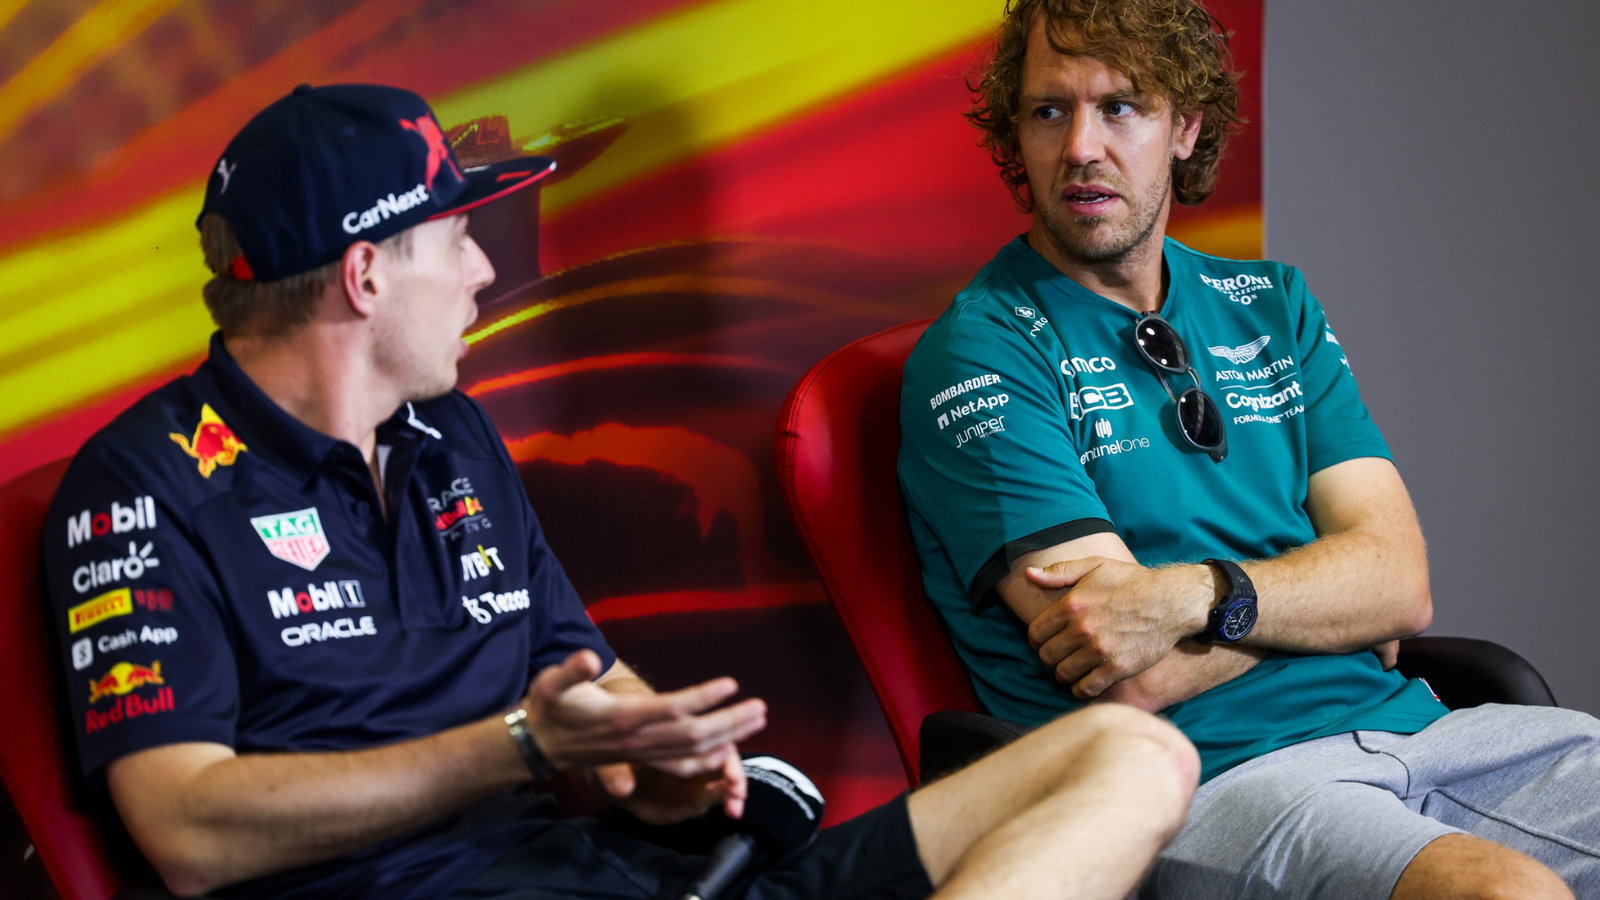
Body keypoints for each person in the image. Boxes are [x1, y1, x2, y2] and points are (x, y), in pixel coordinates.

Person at [42, 82, 1198, 900]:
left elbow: (581, 689)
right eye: (457, 239)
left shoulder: (450, 436)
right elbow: (188, 832)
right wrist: (520, 748)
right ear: (364, 273)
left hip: (636, 872)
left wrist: (662, 767)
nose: (488, 271)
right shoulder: (139, 493)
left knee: (1129, 757)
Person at [896, 1, 1600, 898]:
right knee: (1504, 894)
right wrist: (1338, 608)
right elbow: (1133, 674)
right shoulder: (984, 348)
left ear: (1184, 127)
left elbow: (1401, 584)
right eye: (1048, 110)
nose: (1080, 146)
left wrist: (1201, 593)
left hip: (1427, 734)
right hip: (1210, 781)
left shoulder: (1272, 302)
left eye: (1121, 107)